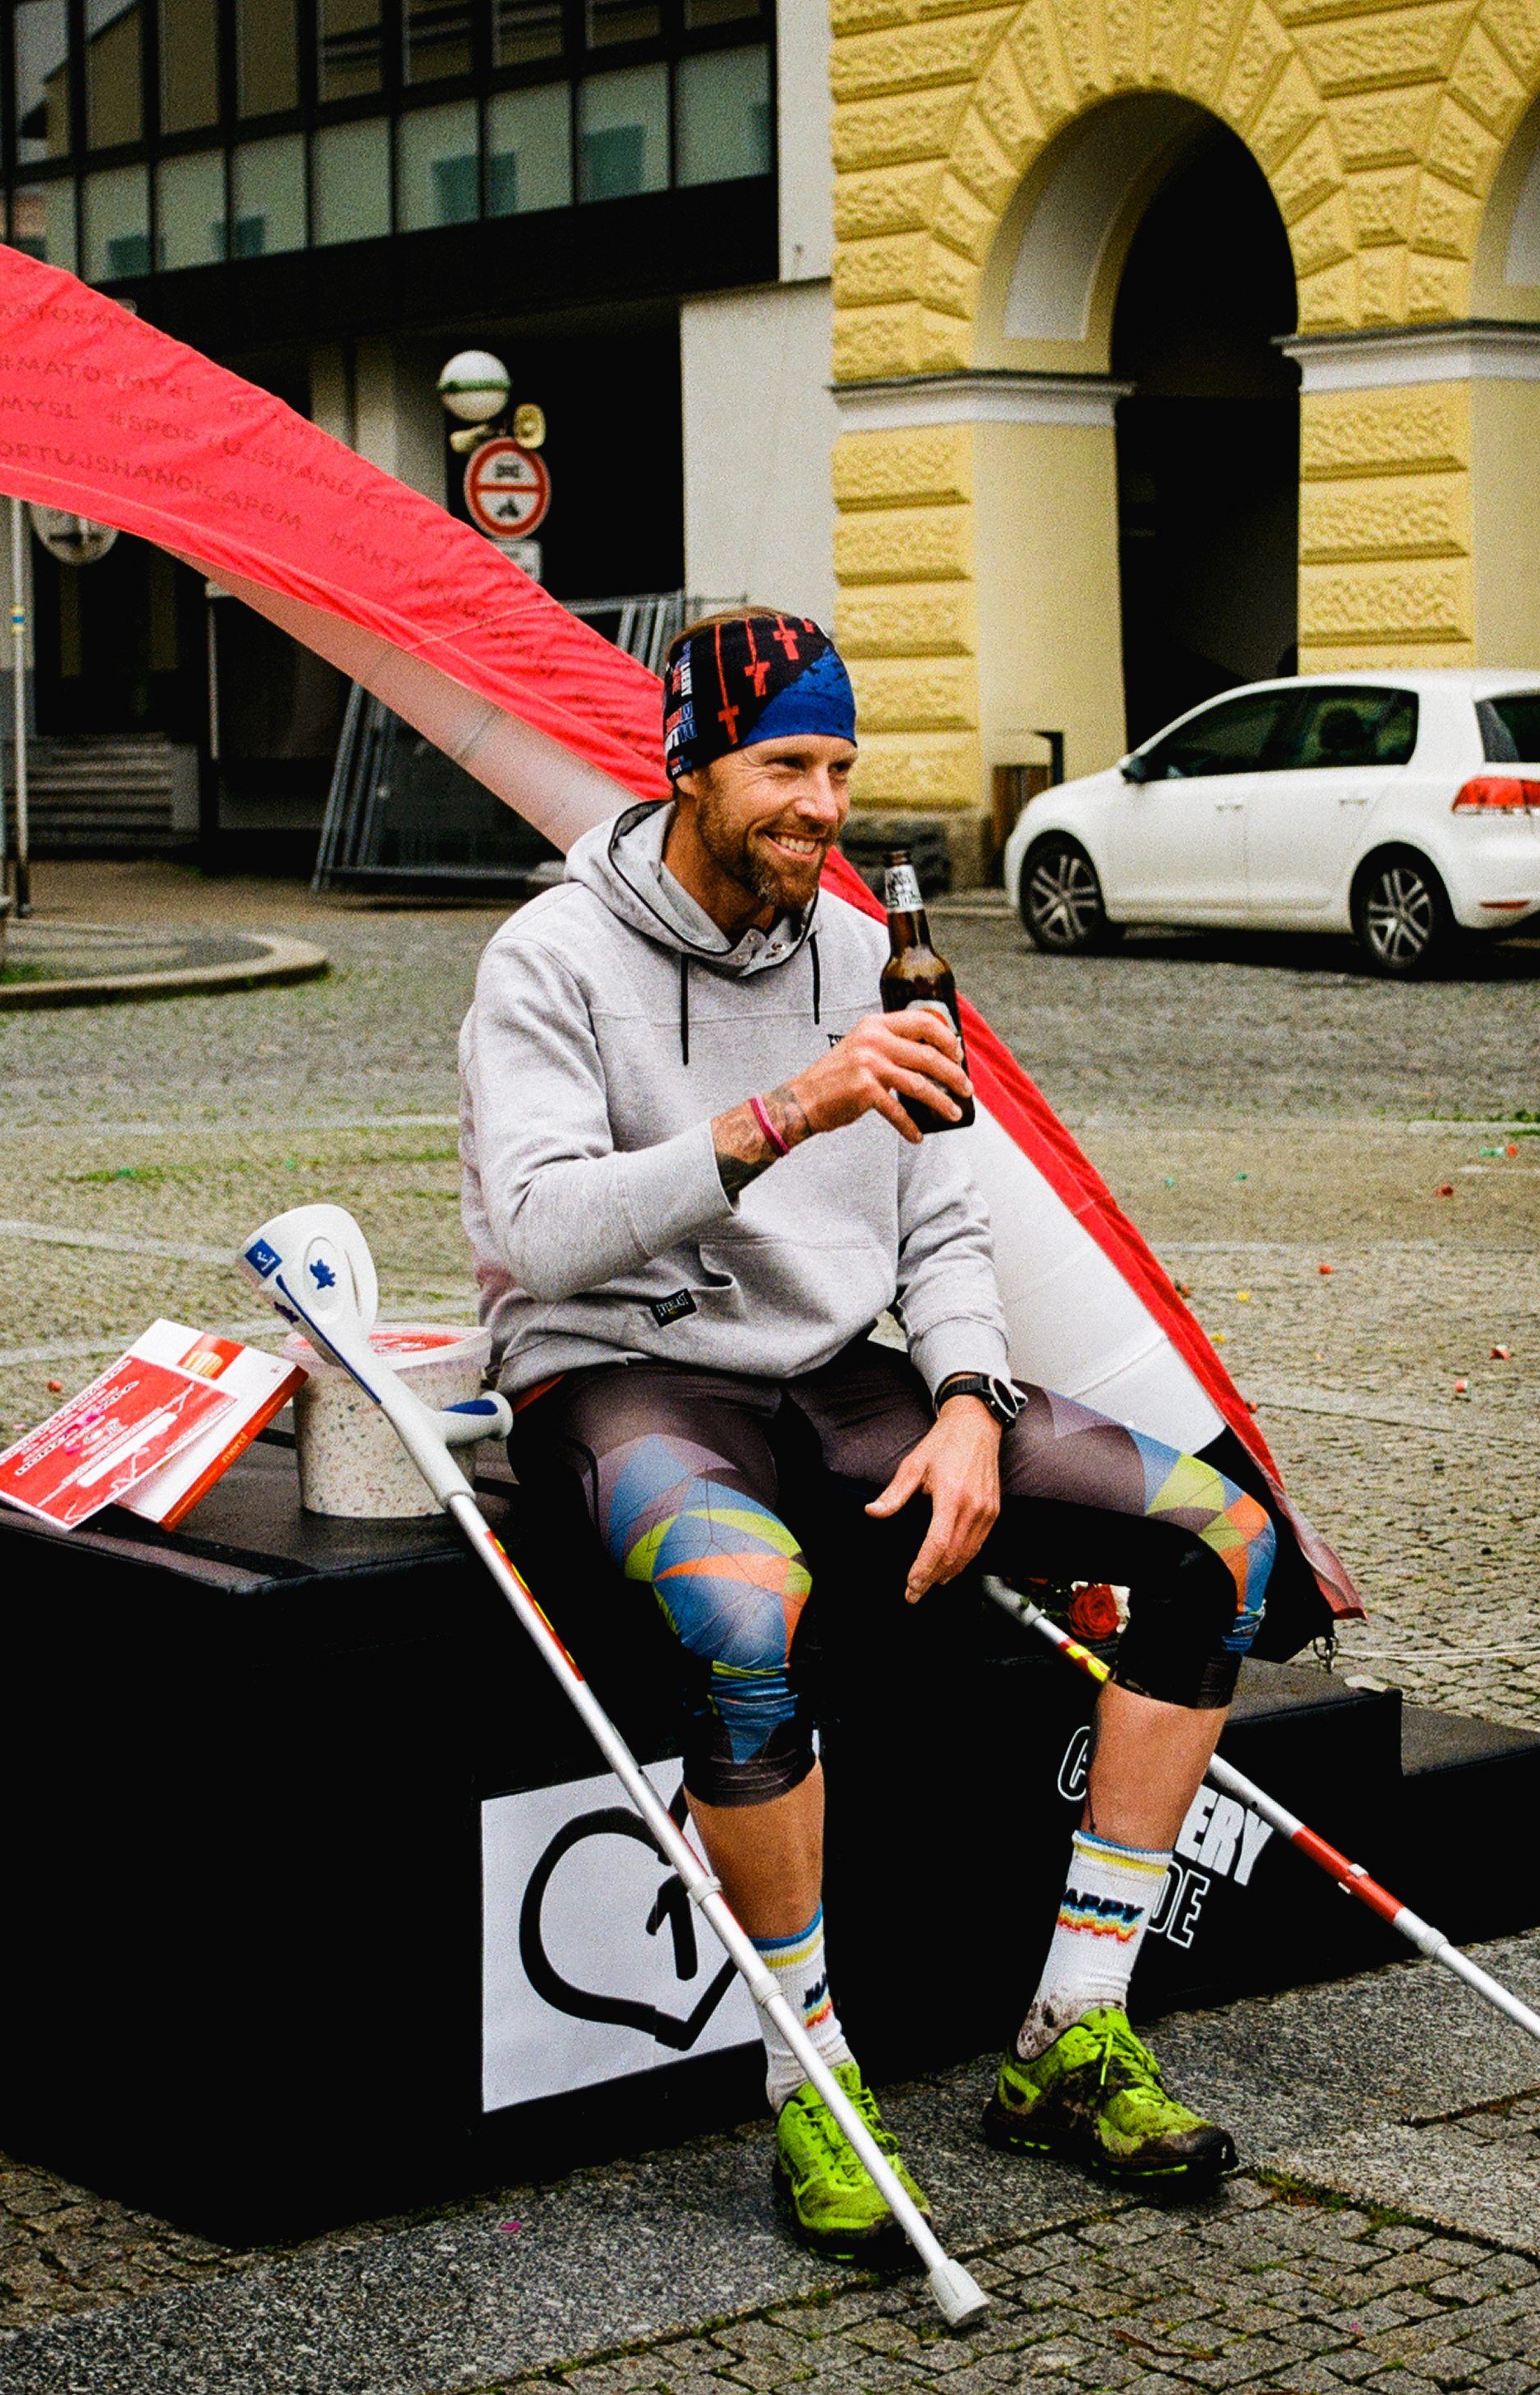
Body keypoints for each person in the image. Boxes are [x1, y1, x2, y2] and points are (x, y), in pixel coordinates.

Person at [459, 611, 1280, 2262]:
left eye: (840, 767)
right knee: (743, 1610)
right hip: (618, 1373)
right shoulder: (549, 958)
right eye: (786, 765)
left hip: (838, 1376)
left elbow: (946, 1227)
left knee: (1223, 1538)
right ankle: (814, 2082)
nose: (823, 805)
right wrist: (789, 1109)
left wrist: (971, 1400)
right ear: (689, 764)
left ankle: (1072, 2030)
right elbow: (539, 1236)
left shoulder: (867, 952)